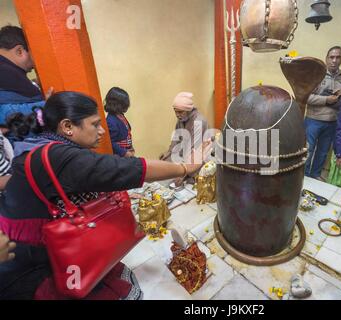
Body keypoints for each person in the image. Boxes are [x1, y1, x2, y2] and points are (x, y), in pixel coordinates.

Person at [0, 91, 211, 300]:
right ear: (67, 127)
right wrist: (185, 167)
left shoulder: (40, 146)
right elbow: (129, 169)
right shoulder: (61, 157)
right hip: (30, 260)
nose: (102, 131)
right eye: (94, 124)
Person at [305, 46, 341, 180]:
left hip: (333, 121)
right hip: (313, 120)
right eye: (331, 57)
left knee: (323, 152)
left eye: (338, 57)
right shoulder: (316, 74)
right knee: (307, 150)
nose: (334, 60)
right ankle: (303, 176)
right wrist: (326, 100)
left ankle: (315, 175)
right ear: (326, 58)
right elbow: (306, 97)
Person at [0, 26, 47, 128]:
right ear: (20, 51)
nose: (35, 65)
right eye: (35, 54)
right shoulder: (7, 71)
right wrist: (48, 105)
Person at [160, 92, 209, 185]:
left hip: (199, 155)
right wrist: (168, 152)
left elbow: (195, 149)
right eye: (175, 111)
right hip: (185, 154)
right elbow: (176, 139)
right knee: (164, 162)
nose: (177, 115)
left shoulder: (199, 122)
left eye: (180, 112)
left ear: (188, 110)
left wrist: (184, 173)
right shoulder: (181, 119)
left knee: (190, 178)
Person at [105, 87, 135, 157]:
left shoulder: (121, 116)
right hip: (119, 157)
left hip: (127, 151)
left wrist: (131, 147)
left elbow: (128, 133)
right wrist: (124, 153)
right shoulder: (111, 121)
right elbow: (111, 142)